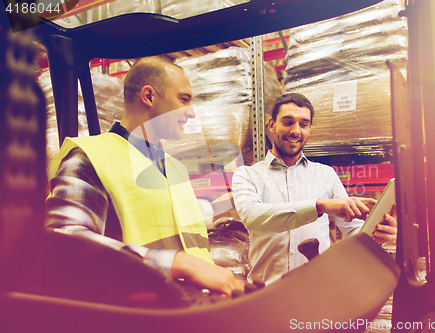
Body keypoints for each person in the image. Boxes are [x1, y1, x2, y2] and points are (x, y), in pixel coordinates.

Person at [46, 57, 243, 296]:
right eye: (184, 100)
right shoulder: (89, 157)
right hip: (133, 316)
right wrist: (177, 263)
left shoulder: (174, 168)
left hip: (188, 312)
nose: (191, 112)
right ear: (149, 96)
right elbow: (64, 242)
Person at [232, 93, 397, 285]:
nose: (296, 131)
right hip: (264, 292)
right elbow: (253, 217)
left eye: (303, 124)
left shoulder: (325, 174)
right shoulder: (247, 175)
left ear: (309, 128)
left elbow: (353, 230)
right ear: (271, 124)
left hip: (318, 291)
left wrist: (377, 234)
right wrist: (320, 206)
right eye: (288, 122)